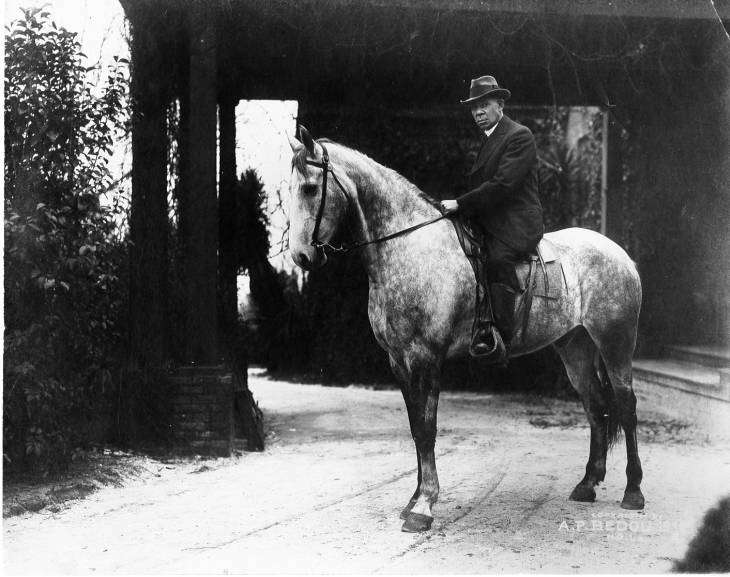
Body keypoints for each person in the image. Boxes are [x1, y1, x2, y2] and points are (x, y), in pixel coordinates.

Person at [441, 75, 543, 361]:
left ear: (500, 105)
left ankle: (501, 336)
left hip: (516, 222)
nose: (478, 112)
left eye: (484, 105)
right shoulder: (490, 139)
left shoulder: (519, 135)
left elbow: (503, 185)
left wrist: (460, 204)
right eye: (474, 108)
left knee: (498, 260)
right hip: (491, 219)